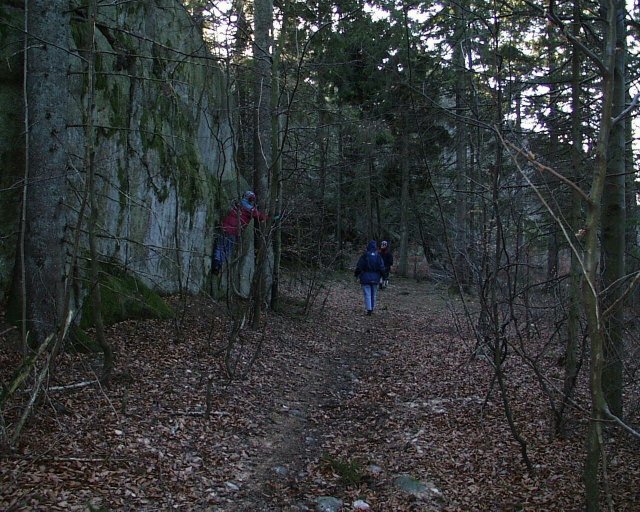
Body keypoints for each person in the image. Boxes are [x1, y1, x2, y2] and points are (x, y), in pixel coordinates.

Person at [212, 191, 267, 274]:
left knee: (220, 246)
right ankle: (218, 266)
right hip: (233, 231)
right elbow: (260, 216)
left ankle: (216, 263)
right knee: (227, 248)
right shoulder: (249, 208)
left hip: (225, 228)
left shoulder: (237, 204)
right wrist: (270, 218)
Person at [354, 240, 386, 316]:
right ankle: (372, 307)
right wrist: (384, 277)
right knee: (374, 294)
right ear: (375, 247)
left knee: (367, 294)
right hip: (376, 278)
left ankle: (369, 309)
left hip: (365, 277)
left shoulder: (365, 256)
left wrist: (356, 275)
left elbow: (359, 266)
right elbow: (382, 268)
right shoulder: (378, 256)